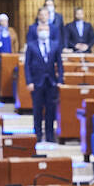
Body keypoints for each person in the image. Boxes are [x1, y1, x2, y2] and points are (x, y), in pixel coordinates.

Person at [25, 12, 62, 144]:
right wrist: (29, 81)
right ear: (37, 31)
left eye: (45, 29)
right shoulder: (31, 45)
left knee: (51, 110)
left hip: (51, 82)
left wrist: (60, 81)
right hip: (36, 82)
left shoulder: (55, 44)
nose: (43, 31)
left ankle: (50, 135)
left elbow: (60, 64)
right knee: (37, 109)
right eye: (40, 29)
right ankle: (38, 134)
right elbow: (27, 65)